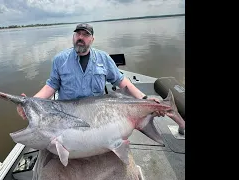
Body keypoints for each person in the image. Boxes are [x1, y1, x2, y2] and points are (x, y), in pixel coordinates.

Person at [17, 23, 164, 180]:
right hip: (67, 119)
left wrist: (144, 99)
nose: (80, 37)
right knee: (46, 173)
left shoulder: (103, 58)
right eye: (77, 34)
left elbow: (122, 82)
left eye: (85, 35)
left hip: (98, 116)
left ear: (92, 39)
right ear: (74, 37)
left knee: (127, 172)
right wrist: (30, 102)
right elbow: (51, 86)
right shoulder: (60, 60)